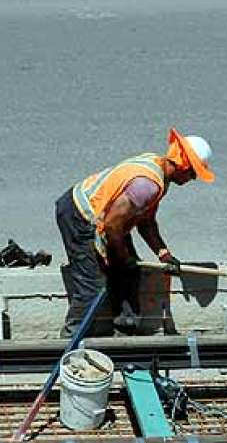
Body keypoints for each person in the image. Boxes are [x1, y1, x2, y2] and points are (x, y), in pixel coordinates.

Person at [55, 128, 214, 337]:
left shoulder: (159, 174)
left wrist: (163, 253)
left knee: (128, 272)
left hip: (106, 217)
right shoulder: (146, 185)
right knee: (92, 288)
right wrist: (122, 257)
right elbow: (112, 226)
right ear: (183, 164)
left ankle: (125, 331)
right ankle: (69, 344)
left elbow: (146, 223)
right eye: (193, 172)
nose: (193, 178)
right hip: (80, 215)